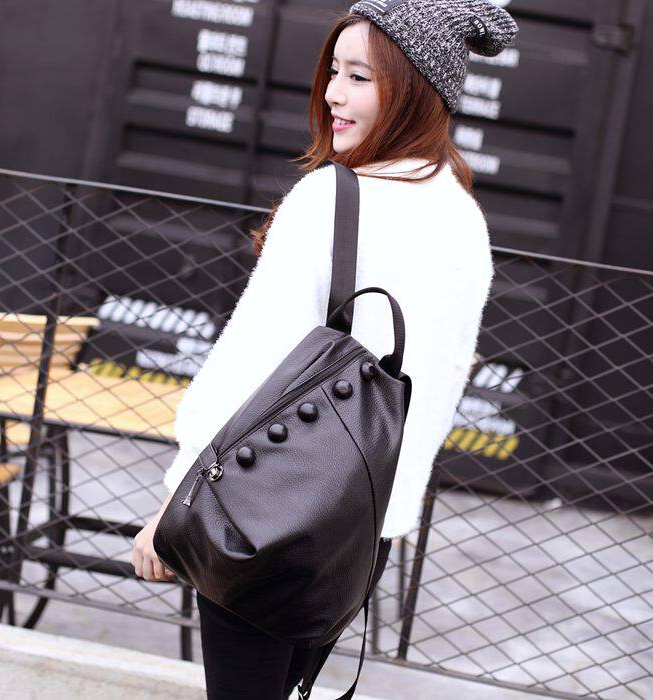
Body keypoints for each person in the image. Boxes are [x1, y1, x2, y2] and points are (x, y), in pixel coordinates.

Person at [132, 1, 518, 698]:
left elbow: (252, 363)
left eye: (360, 77)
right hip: (361, 527)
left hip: (261, 510)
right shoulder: (463, 216)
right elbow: (436, 388)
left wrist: (175, 501)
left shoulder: (331, 198)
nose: (334, 93)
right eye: (334, 71)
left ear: (414, 87)